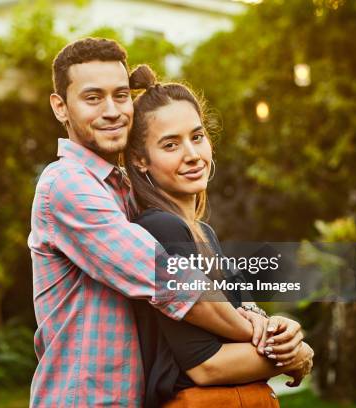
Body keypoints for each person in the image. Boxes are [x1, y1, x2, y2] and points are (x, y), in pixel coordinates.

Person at [29, 37, 306, 407]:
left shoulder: (125, 191)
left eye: (121, 95)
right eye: (93, 98)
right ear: (60, 107)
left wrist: (271, 325)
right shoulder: (67, 186)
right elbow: (171, 283)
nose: (112, 110)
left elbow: (226, 297)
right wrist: (279, 346)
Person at [124, 64, 314, 407]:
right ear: (140, 160)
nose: (193, 155)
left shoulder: (203, 233)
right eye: (170, 145)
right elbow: (205, 365)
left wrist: (280, 331)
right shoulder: (160, 228)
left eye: (197, 137)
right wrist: (296, 353)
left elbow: (245, 316)